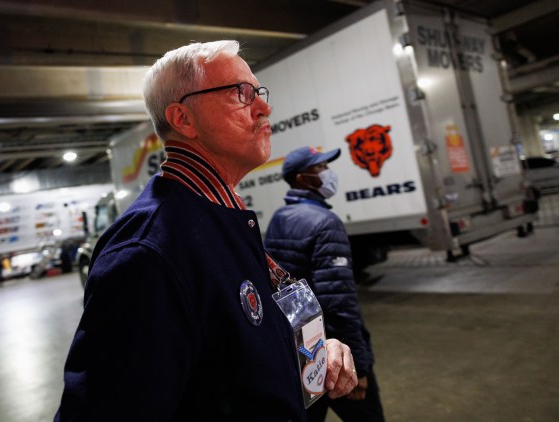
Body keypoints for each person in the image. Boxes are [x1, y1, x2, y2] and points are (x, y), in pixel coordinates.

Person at [55, 40, 357, 421]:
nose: (264, 106)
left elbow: (229, 358)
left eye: (258, 92)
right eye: (240, 93)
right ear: (183, 119)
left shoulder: (219, 214)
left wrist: (308, 355)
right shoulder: (147, 253)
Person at [264, 146, 385, 422]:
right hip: (335, 355)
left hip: (303, 352)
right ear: (301, 178)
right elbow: (339, 303)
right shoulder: (326, 223)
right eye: (319, 168)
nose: (328, 174)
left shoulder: (278, 219)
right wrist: (361, 366)